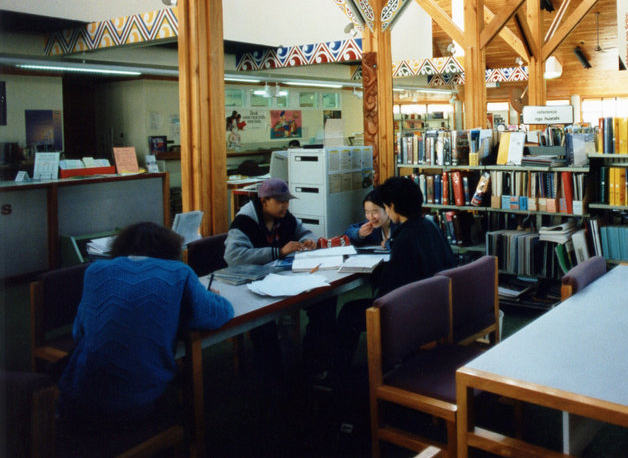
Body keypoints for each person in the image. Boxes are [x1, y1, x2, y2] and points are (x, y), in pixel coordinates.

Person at [58, 222, 233, 426]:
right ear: (170, 247)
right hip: (135, 404)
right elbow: (216, 314)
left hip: (76, 395)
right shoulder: (178, 272)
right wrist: (215, 297)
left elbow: (79, 332)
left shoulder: (95, 271)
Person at [324, 176, 455, 388]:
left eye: (384, 206)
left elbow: (389, 294)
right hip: (438, 304)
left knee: (349, 312)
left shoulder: (404, 239)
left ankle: (338, 377)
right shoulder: (429, 226)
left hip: (415, 313)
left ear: (392, 206)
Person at [225, 177, 336, 381]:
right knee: (264, 323)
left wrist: (307, 240)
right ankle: (275, 380)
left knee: (326, 301)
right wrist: (277, 252)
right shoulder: (244, 222)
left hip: (282, 279)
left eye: (287, 201)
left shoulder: (284, 216)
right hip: (252, 285)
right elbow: (233, 257)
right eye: (280, 201)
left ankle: (314, 364)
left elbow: (303, 232)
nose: (286, 206)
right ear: (264, 200)